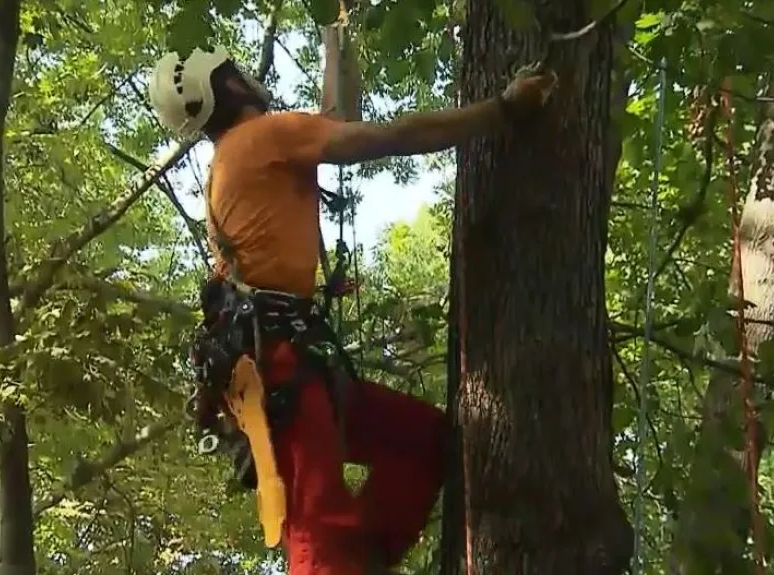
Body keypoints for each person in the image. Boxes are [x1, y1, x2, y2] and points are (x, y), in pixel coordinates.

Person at [148, 40, 556, 575]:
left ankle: (360, 564)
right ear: (225, 87)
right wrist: (502, 109)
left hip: (282, 361)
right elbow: (391, 137)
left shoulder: (238, 157)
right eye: (233, 71)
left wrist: (335, 35)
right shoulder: (263, 138)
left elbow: (336, 121)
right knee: (317, 519)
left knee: (421, 439)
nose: (245, 74)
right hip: (277, 364)